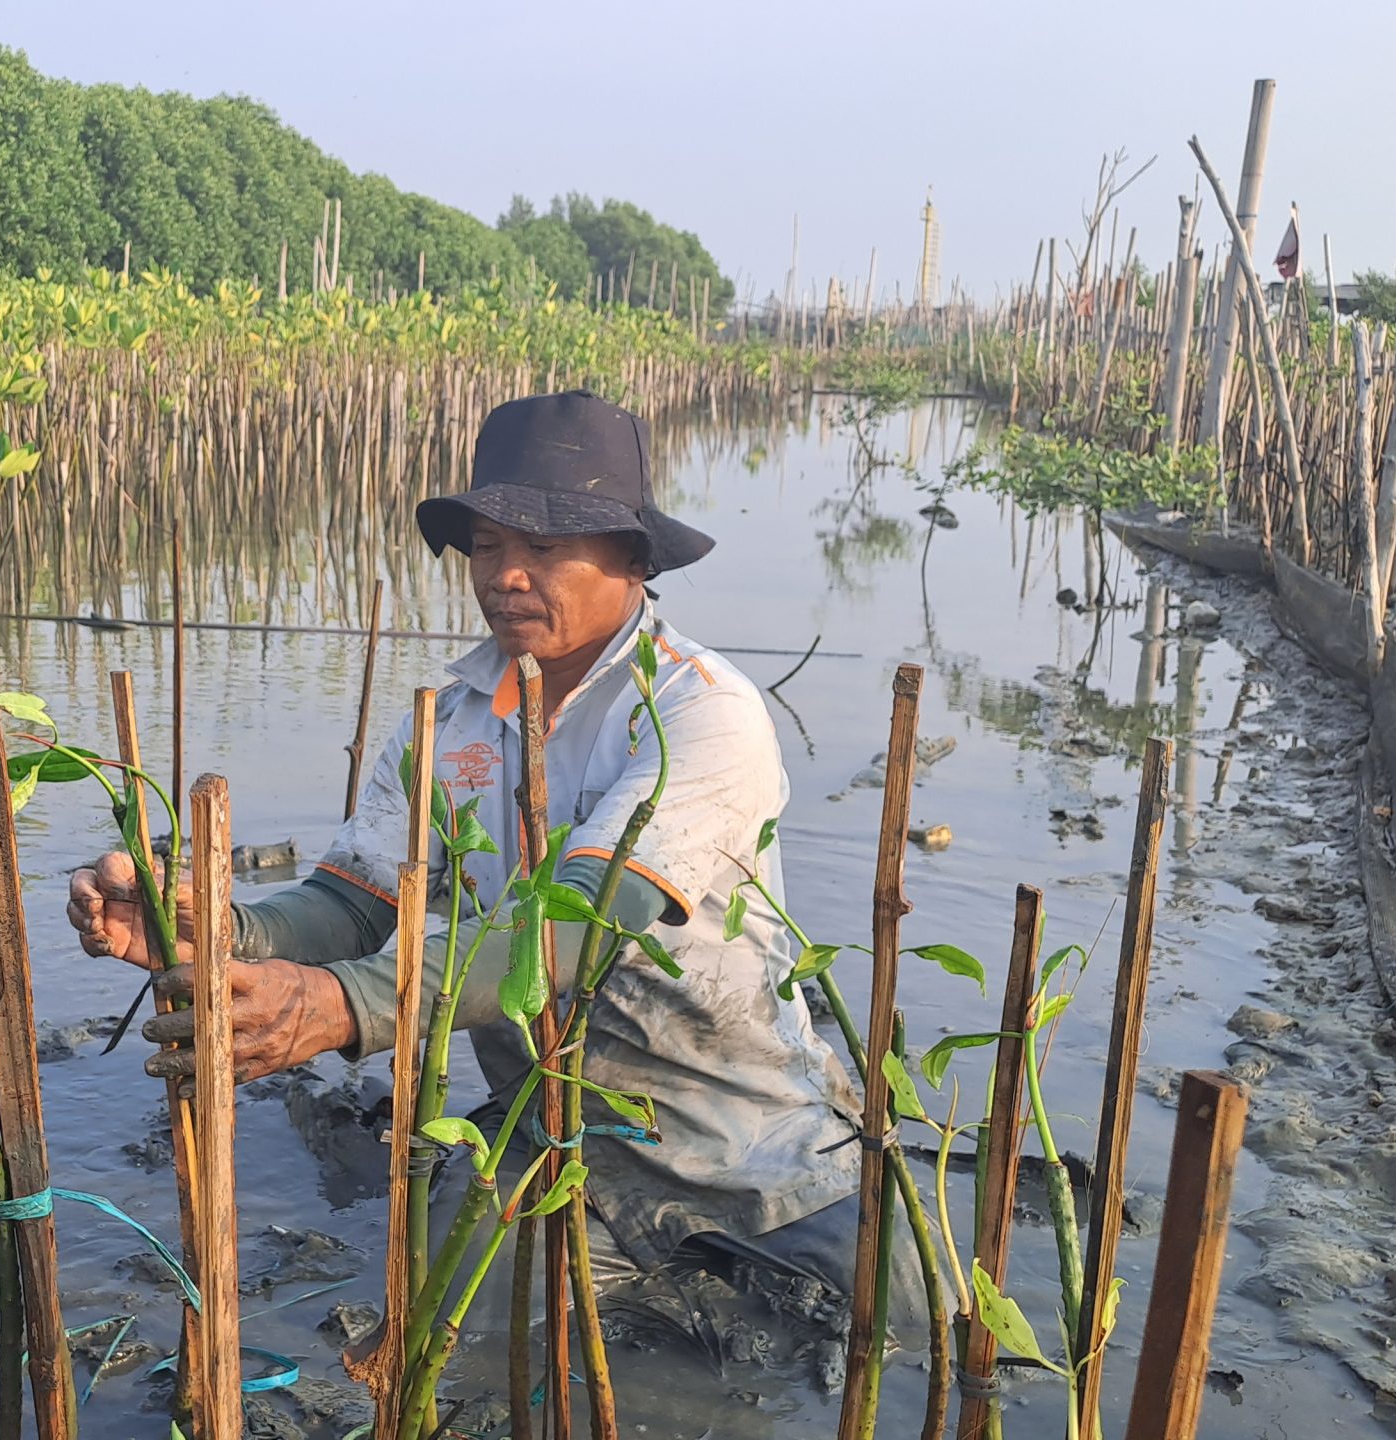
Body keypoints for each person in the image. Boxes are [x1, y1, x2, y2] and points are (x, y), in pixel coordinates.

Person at [69, 390, 883, 1298]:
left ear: (632, 559)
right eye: (488, 547)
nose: (505, 575)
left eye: (542, 547)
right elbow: (352, 902)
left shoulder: (699, 709)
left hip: (752, 1169)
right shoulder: (451, 723)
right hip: (561, 1154)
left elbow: (577, 928)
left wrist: (343, 1006)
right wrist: (224, 933)